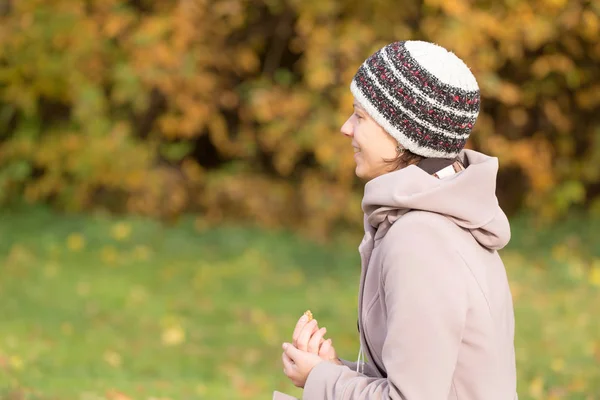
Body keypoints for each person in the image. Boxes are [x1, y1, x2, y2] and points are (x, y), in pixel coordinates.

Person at [276, 40, 518, 399]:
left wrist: (320, 380)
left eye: (359, 116)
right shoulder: (448, 215)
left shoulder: (421, 239)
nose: (346, 128)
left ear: (403, 136)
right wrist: (336, 371)